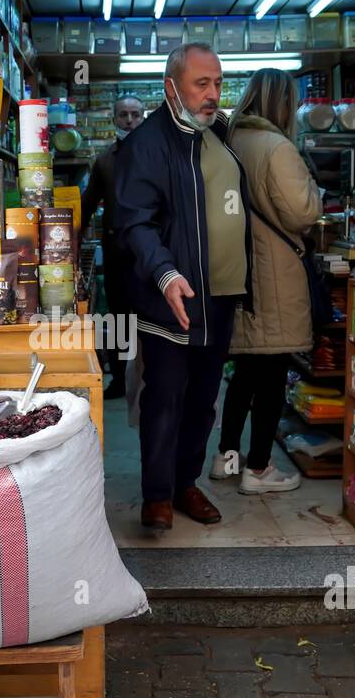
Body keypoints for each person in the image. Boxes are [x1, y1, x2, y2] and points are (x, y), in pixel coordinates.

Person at [114, 42, 252, 531]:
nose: (213, 94)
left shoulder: (217, 134)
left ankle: (186, 483)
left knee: (204, 397)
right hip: (169, 295)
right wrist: (166, 273)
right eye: (202, 84)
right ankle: (157, 495)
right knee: (166, 396)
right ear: (171, 87)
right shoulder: (147, 144)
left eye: (218, 83)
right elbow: (135, 223)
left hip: (218, 296)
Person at [211, 69, 323, 494]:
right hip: (274, 273)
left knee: (244, 372)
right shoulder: (277, 147)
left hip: (238, 272)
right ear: (282, 103)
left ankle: (226, 457)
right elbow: (302, 213)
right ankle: (258, 469)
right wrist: (315, 191)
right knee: (272, 373)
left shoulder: (228, 142)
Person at [82, 94, 145, 399]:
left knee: (153, 317)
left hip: (154, 255)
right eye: (124, 115)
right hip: (119, 253)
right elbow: (88, 204)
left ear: (143, 118)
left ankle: (155, 380)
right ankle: (120, 379)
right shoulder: (106, 160)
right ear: (114, 119)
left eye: (135, 114)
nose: (130, 121)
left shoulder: (158, 156)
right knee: (121, 319)